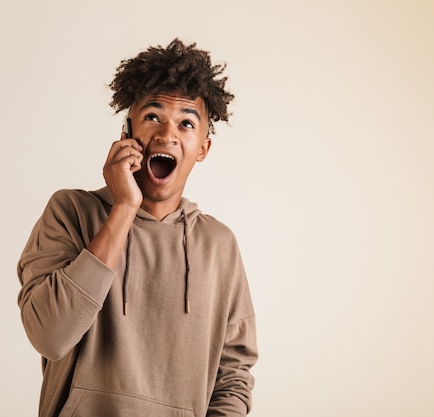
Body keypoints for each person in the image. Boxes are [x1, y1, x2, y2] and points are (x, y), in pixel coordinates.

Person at [17, 38, 258, 417]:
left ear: (203, 149)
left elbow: (233, 375)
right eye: (152, 117)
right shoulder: (70, 212)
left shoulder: (218, 244)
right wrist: (124, 208)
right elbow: (50, 335)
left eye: (186, 123)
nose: (166, 134)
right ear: (127, 131)